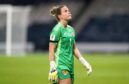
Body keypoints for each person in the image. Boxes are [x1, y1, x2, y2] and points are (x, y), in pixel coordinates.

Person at [48, 5, 92, 84]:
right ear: (59, 16)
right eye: (65, 11)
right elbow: (51, 49)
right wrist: (52, 65)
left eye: (68, 10)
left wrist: (84, 62)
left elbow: (74, 48)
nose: (69, 12)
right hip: (61, 66)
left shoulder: (71, 29)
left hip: (70, 66)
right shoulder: (57, 29)